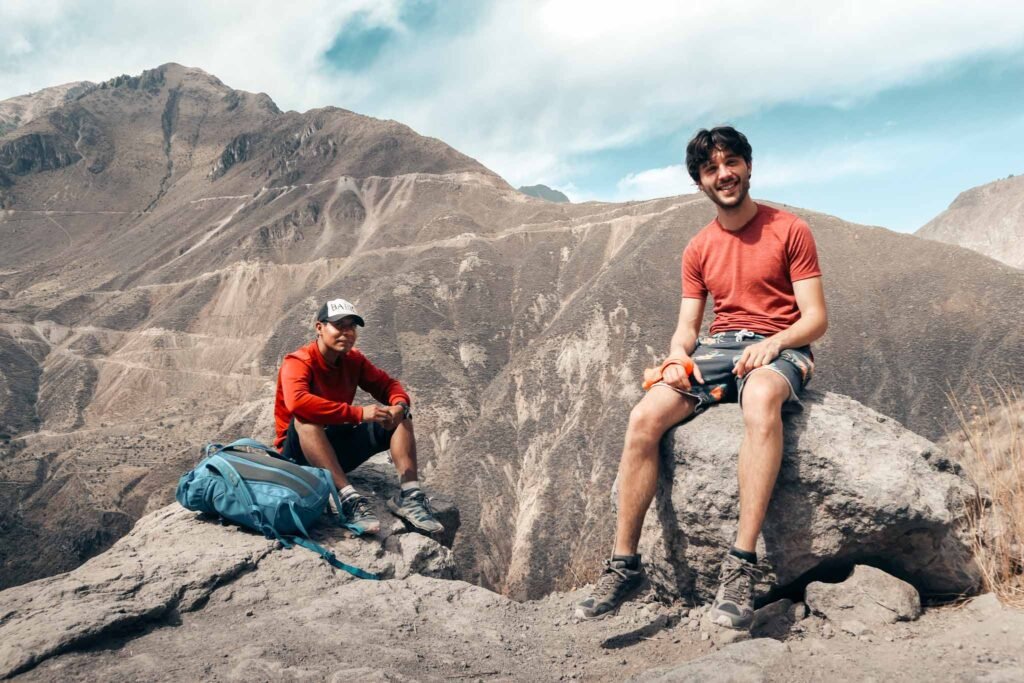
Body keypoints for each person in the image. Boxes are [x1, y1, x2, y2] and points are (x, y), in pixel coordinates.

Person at [575, 126, 828, 629]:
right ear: (700, 183)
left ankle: (740, 566)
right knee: (644, 417)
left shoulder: (790, 229)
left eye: (731, 162)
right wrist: (675, 359)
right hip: (717, 350)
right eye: (711, 169)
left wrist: (773, 345)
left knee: (759, 400)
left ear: (749, 167)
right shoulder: (698, 248)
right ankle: (623, 564)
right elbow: (688, 328)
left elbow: (815, 317)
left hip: (783, 346)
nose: (724, 174)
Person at [273, 297, 443, 536]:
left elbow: (388, 385)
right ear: (319, 328)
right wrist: (358, 413)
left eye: (351, 326)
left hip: (333, 451)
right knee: (306, 420)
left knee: (401, 418)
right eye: (338, 325)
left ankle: (410, 495)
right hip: (298, 458)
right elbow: (298, 402)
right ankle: (348, 499)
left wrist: (399, 406)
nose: (346, 332)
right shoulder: (299, 362)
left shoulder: (353, 361)